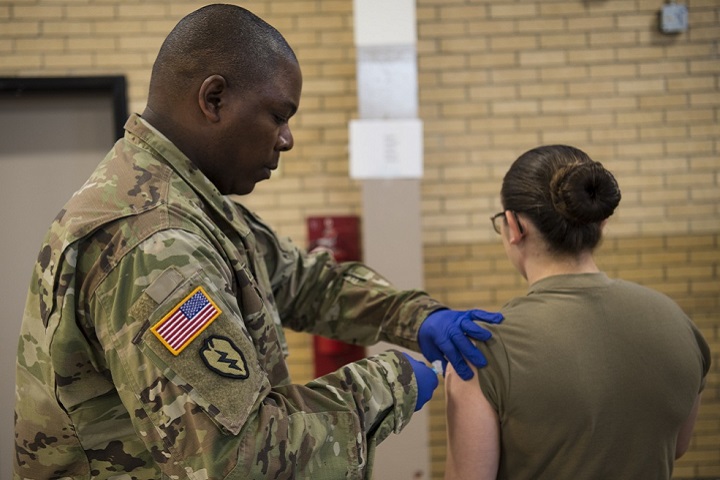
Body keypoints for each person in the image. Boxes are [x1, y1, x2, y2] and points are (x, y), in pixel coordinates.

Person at [13, 4, 502, 479]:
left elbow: (305, 283)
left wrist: (416, 317)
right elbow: (239, 458)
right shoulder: (156, 244)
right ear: (214, 100)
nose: (286, 139)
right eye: (278, 115)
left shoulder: (193, 203)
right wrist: (389, 385)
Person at [443, 145, 711, 480]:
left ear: (513, 226)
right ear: (601, 223)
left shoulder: (479, 349)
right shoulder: (677, 323)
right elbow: (677, 445)